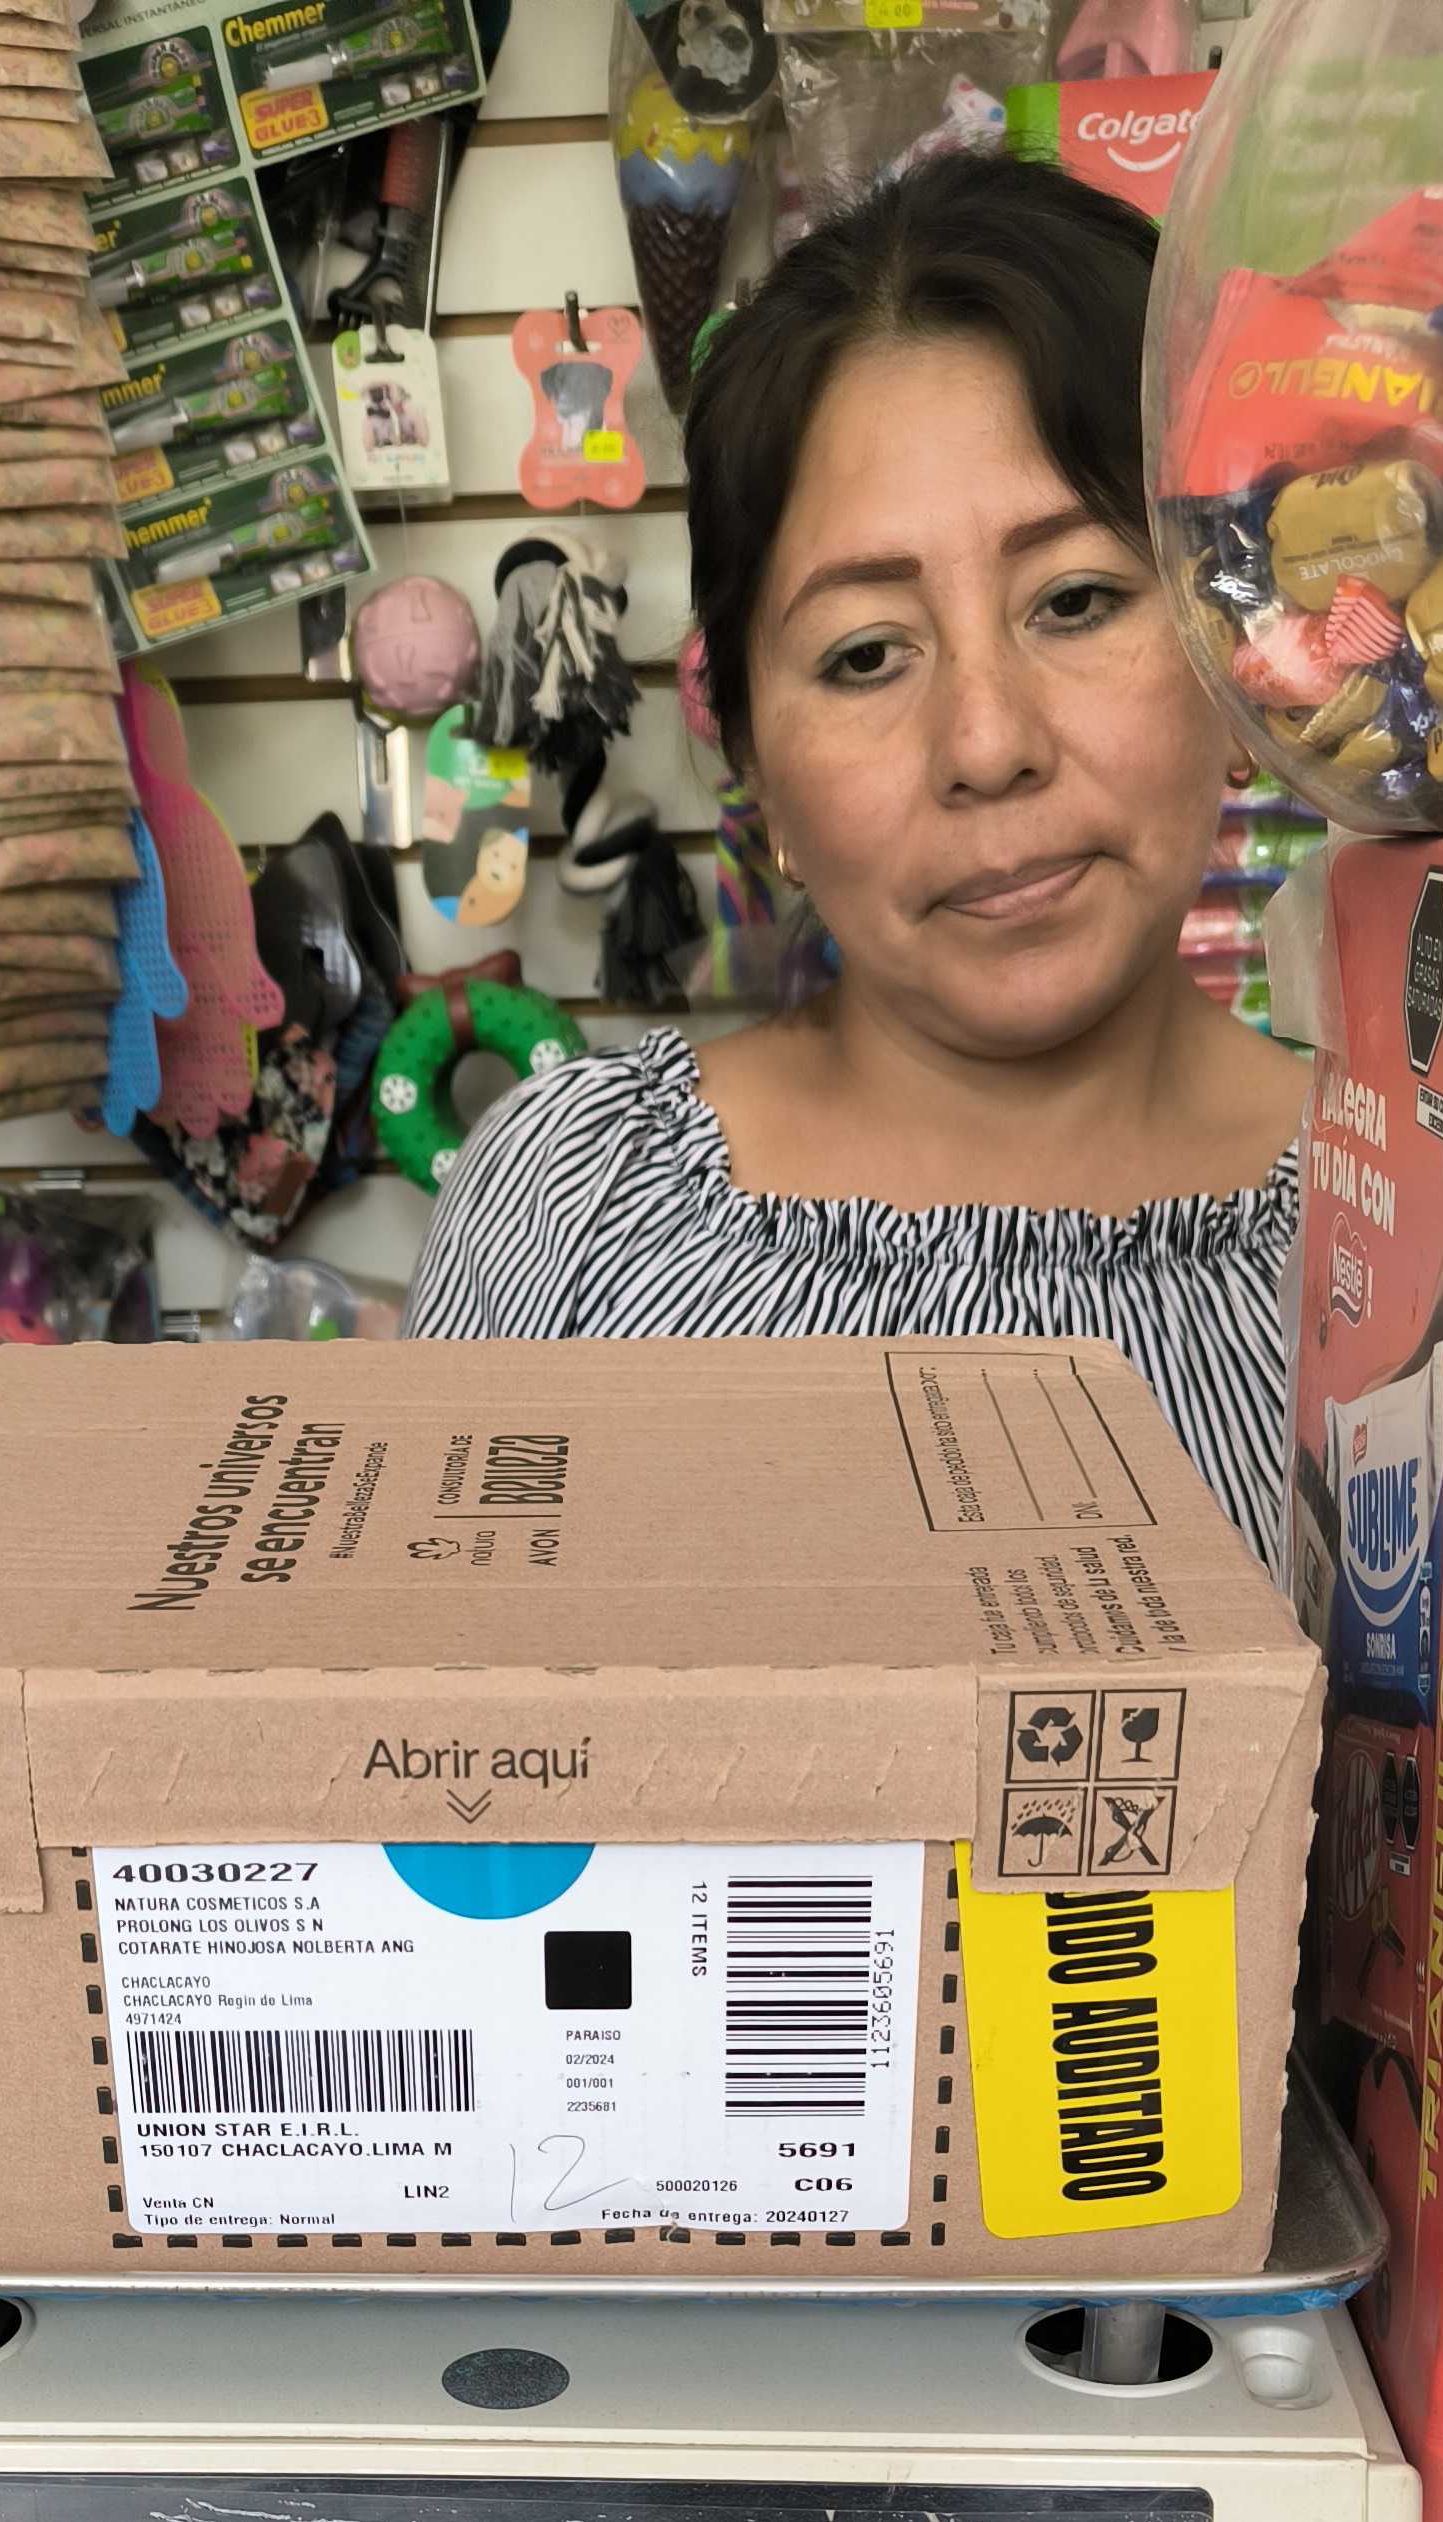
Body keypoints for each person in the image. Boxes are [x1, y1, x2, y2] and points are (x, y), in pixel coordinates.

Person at [399, 152, 1303, 1564]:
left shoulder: (1423, 1226)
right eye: (866, 654)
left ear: (1231, 648)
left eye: (1075, 600)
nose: (988, 743)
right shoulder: (568, 1210)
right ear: (754, 762)